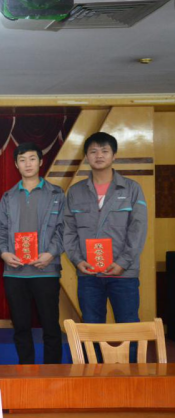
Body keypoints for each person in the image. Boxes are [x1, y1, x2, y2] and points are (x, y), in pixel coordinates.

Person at [64, 132, 147, 327]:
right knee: (91, 328)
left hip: (123, 274)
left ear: (114, 155)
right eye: (93, 151)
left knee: (128, 327)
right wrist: (77, 260)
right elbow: (69, 230)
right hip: (88, 274)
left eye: (104, 151)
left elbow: (138, 229)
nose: (99, 155)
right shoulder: (75, 192)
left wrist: (123, 262)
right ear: (86, 156)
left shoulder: (131, 189)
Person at [0, 142, 65, 365]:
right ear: (16, 165)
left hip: (46, 270)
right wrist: (4, 253)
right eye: (22, 160)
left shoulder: (56, 194)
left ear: (41, 162)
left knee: (50, 326)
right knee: (21, 327)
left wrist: (51, 253)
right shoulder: (8, 197)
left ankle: (52, 372)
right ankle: (26, 372)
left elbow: (64, 228)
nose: (28, 164)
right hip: (15, 273)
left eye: (32, 159)